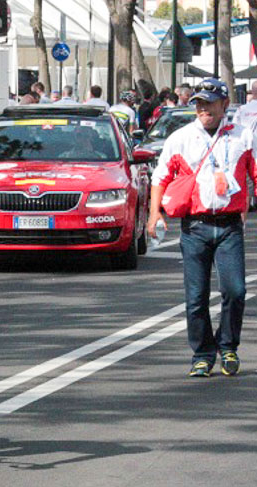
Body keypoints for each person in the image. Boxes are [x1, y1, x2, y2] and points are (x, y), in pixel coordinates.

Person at [147, 79, 257, 378]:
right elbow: (160, 177)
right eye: (198, 103)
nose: (202, 108)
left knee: (235, 290)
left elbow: (255, 172)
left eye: (209, 102)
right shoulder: (181, 138)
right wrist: (154, 212)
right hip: (195, 228)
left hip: (229, 226)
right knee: (196, 297)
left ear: (224, 105)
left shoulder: (242, 136)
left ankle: (228, 346)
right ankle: (203, 354)